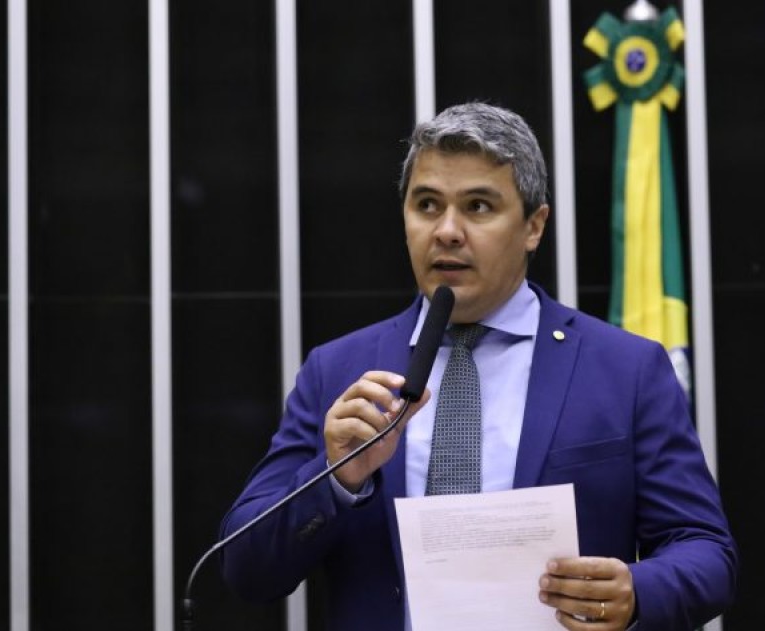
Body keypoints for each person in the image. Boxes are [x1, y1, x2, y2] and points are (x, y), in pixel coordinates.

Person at [220, 102, 737, 630]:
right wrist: (336, 478)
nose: (447, 231)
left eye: (478, 207)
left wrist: (636, 593)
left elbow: (705, 551)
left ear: (534, 226)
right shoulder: (338, 371)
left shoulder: (626, 369)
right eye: (427, 205)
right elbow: (245, 568)